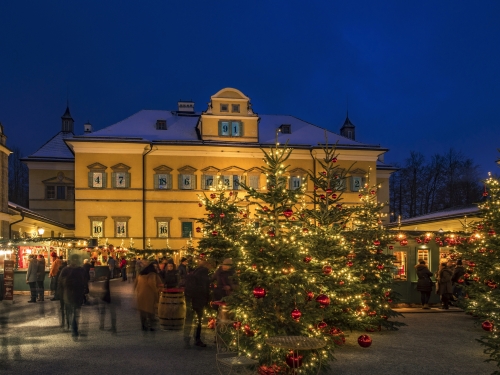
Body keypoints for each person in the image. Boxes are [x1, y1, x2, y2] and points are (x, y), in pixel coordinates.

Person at [184, 260, 213, 348]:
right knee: (199, 320)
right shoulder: (205, 273)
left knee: (189, 319)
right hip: (199, 299)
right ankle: (197, 339)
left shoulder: (195, 271)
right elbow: (205, 288)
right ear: (208, 264)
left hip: (190, 298)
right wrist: (207, 299)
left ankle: (186, 338)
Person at [59, 254, 86, 339]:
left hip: (67, 294)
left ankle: (71, 327)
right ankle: (74, 330)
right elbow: (84, 281)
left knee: (70, 312)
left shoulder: (65, 270)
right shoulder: (80, 270)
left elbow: (60, 282)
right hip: (77, 294)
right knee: (75, 312)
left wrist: (60, 294)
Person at [135, 261, 163, 331]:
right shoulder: (152, 275)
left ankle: (143, 326)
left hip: (141, 295)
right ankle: (151, 326)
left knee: (143, 311)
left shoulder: (140, 274)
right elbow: (152, 284)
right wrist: (156, 292)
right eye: (155, 267)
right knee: (151, 311)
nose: (156, 268)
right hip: (149, 295)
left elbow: (136, 284)